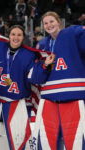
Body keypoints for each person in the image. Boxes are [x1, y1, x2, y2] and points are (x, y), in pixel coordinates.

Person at [0, 25, 55, 149]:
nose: (16, 37)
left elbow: (34, 77)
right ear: (8, 36)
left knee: (19, 136)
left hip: (14, 100)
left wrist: (45, 65)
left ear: (23, 38)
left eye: (19, 35)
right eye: (13, 34)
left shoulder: (28, 55)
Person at [34, 11, 85, 150]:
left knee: (76, 142)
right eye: (46, 23)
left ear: (59, 22)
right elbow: (37, 78)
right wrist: (45, 65)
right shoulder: (42, 45)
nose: (49, 25)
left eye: (52, 21)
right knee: (48, 142)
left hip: (74, 96)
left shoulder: (72, 33)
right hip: (50, 99)